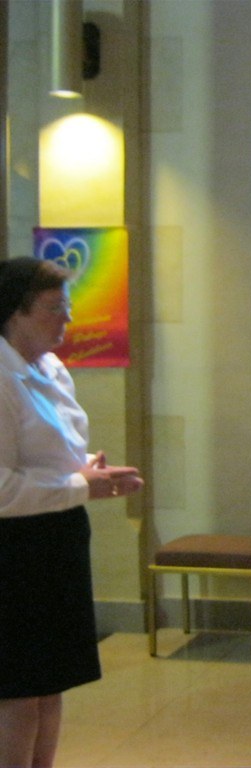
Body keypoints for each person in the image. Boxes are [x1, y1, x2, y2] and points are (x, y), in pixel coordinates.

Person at [0, 257, 144, 768]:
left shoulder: (52, 367)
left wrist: (86, 470)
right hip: (14, 549)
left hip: (57, 535)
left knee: (51, 682)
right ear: (15, 313)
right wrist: (81, 484)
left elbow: (50, 456)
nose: (68, 318)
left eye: (67, 306)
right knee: (19, 689)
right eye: (53, 307)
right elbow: (2, 489)